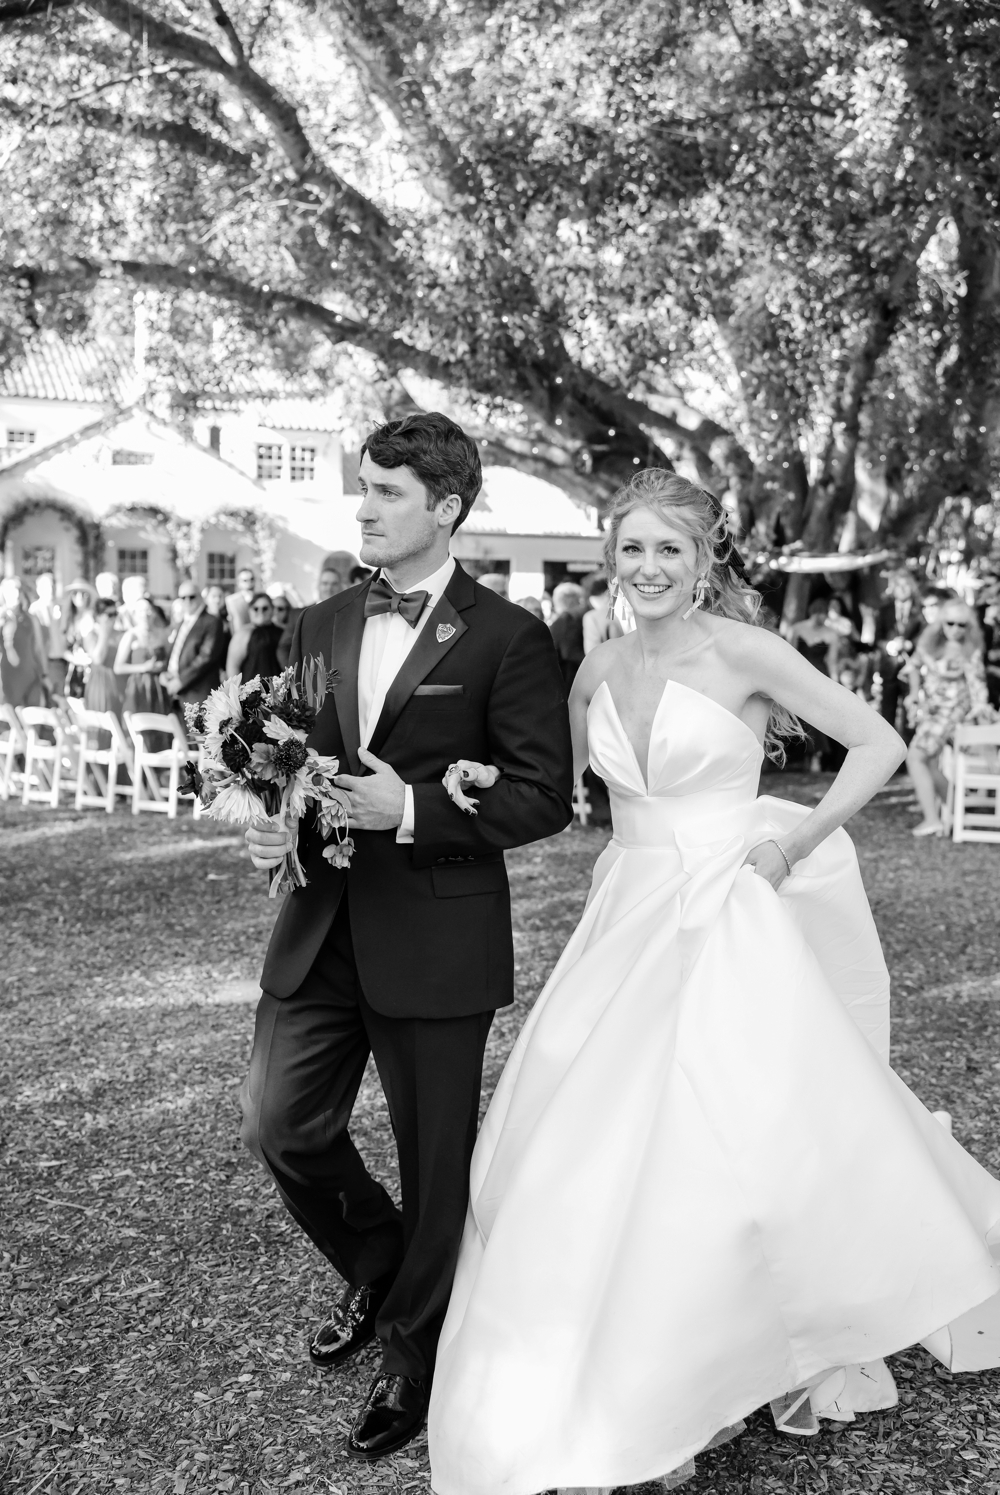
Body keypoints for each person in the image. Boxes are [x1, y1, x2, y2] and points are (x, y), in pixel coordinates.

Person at [428, 470, 1000, 1495]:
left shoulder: (745, 653)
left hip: (726, 912)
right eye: (632, 548)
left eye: (670, 550)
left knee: (728, 1132)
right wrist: (473, 782)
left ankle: (737, 1346)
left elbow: (876, 744)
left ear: (702, 562)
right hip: (625, 913)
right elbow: (552, 787)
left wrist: (791, 845)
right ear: (611, 557)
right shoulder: (595, 667)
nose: (649, 567)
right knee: (594, 1134)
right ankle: (632, 1367)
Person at [241, 411, 573, 1463]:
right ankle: (380, 1263)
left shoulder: (509, 637)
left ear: (447, 506)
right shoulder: (317, 622)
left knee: (437, 1164)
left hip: (436, 934)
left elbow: (544, 795)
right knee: (279, 1124)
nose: (366, 508)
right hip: (319, 924)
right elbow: (292, 759)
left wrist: (416, 809)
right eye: (366, 488)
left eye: (387, 492)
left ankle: (417, 1352)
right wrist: (273, 819)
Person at [904, 600, 994, 837]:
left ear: (969, 627)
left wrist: (980, 709)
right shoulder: (930, 643)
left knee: (915, 757)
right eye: (950, 623)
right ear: (941, 623)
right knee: (929, 763)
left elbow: (977, 684)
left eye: (962, 625)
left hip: (951, 711)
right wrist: (914, 693)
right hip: (931, 710)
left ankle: (932, 819)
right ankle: (957, 812)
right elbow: (913, 666)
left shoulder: (970, 650)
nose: (956, 629)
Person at [161, 583, 225, 707]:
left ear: (200, 597)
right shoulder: (181, 623)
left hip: (199, 693)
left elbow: (206, 657)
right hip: (177, 692)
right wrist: (165, 672)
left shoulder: (212, 622)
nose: (187, 601)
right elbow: (175, 653)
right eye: (183, 597)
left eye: (191, 597)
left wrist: (181, 680)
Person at [114, 597, 172, 719]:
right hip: (138, 687)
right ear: (135, 614)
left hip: (159, 686)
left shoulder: (162, 634)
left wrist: (163, 666)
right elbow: (118, 667)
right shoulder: (131, 636)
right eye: (141, 611)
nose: (145, 615)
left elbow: (170, 659)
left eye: (148, 610)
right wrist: (144, 667)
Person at [0, 576, 49, 707]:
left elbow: (38, 649)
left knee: (32, 714)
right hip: (8, 678)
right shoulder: (2, 618)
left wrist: (45, 675)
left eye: (18, 589)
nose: (16, 593)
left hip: (30, 676)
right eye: (11, 590)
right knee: (10, 715)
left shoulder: (31, 618)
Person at [82, 597, 125, 721]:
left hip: (120, 685)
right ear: (98, 616)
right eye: (109, 615)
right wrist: (104, 633)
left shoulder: (122, 634)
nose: (113, 618)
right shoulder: (92, 635)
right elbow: (98, 659)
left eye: (115, 614)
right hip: (100, 685)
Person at [226, 591, 284, 682]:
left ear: (272, 609)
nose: (260, 612)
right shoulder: (243, 633)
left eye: (265, 608)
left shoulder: (282, 632)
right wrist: (237, 689)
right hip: (252, 688)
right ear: (250, 610)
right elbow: (233, 666)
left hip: (280, 687)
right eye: (256, 609)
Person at [29, 573, 68, 696]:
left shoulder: (62, 607)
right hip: (46, 662)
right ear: (39, 589)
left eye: (52, 585)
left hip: (64, 661)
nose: (51, 589)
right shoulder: (35, 610)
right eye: (46, 586)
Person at [548, 581, 588, 690]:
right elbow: (570, 652)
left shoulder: (560, 621)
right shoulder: (568, 620)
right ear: (571, 601)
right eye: (579, 600)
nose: (582, 604)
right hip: (569, 682)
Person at [225, 567, 257, 633]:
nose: (249, 583)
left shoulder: (260, 599)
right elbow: (231, 623)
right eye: (245, 580)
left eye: (252, 579)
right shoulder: (231, 601)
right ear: (238, 583)